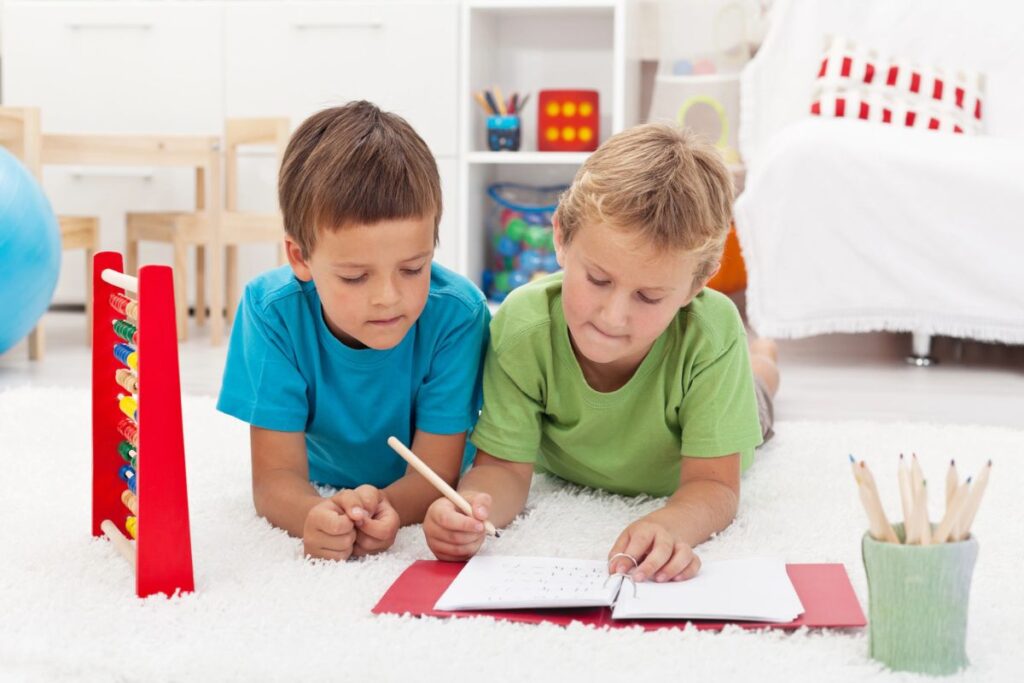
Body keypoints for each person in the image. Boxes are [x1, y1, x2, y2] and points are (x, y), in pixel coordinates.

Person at [423, 123, 778, 583]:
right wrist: (469, 509)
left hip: (720, 411)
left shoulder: (711, 333)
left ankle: (764, 358)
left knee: (759, 388)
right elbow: (504, 470)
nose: (613, 317)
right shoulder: (522, 328)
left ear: (697, 285)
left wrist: (671, 523)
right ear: (561, 237)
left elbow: (713, 484)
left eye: (649, 298)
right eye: (598, 280)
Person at [218, 101, 489, 561]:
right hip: (322, 478)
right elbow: (274, 479)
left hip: (423, 481)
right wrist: (313, 513)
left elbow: (433, 474)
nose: (388, 296)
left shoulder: (458, 315)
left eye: (413, 268)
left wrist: (384, 508)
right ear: (300, 258)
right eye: (354, 277)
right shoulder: (270, 311)